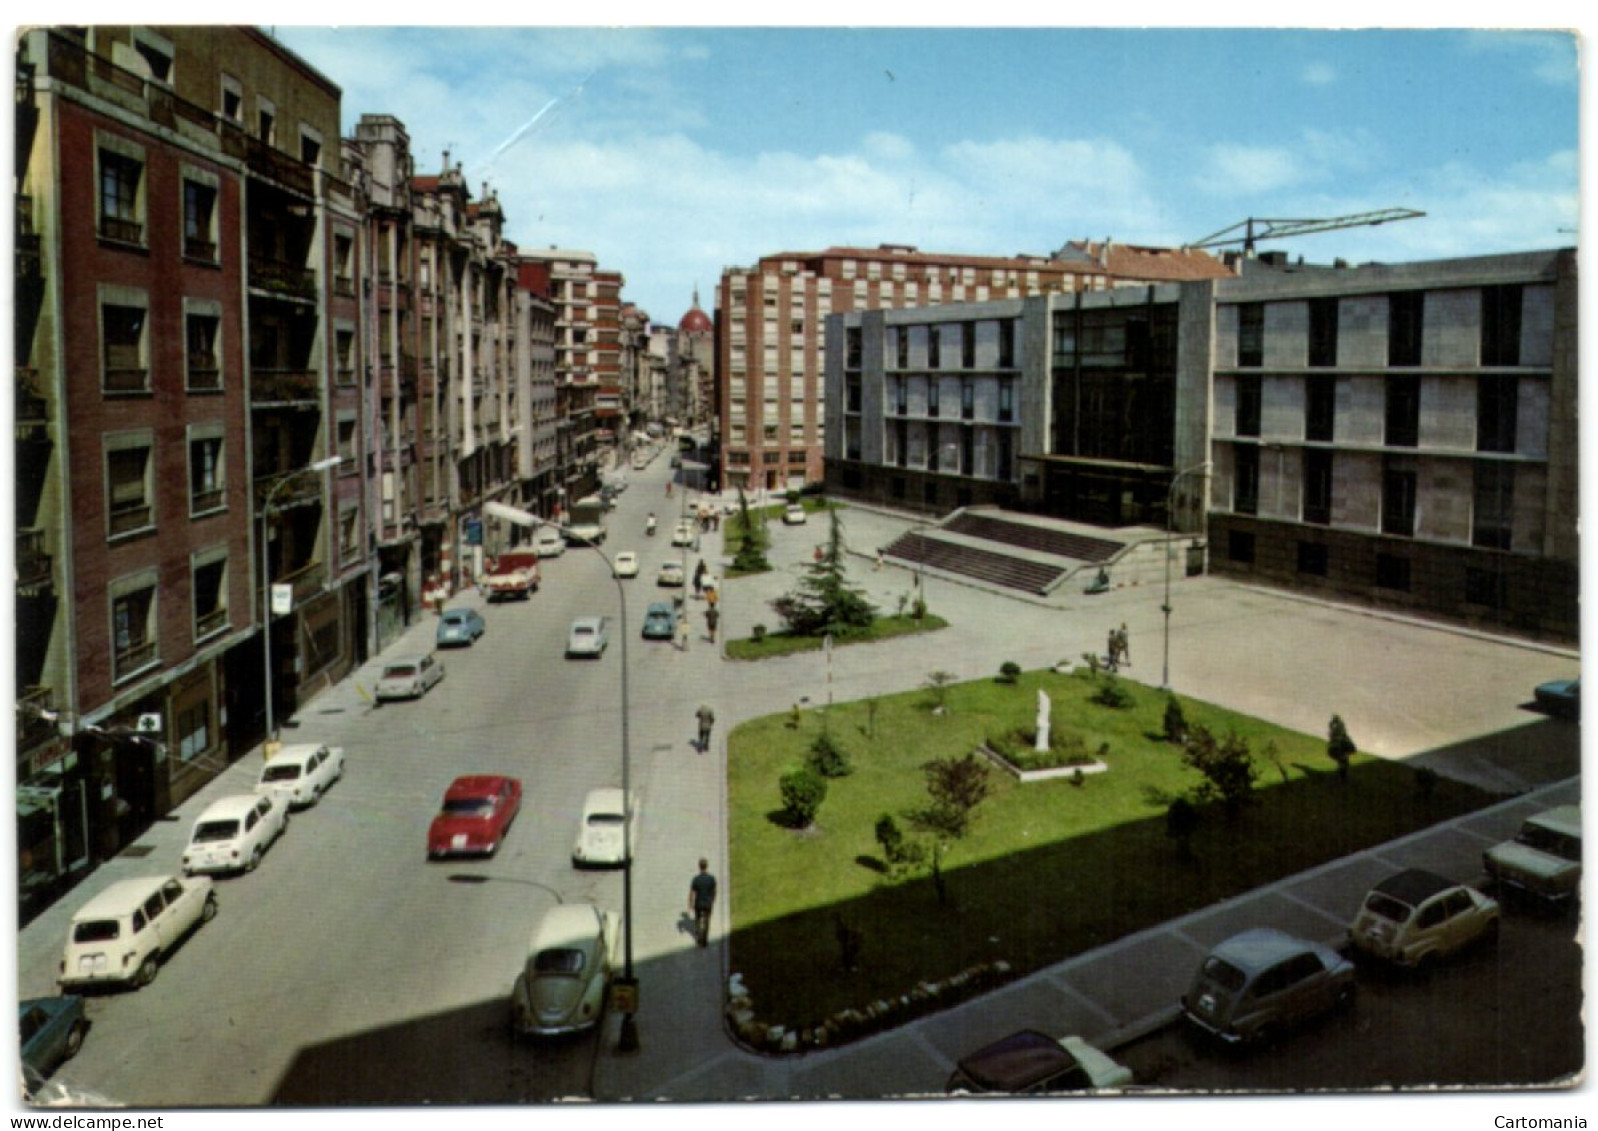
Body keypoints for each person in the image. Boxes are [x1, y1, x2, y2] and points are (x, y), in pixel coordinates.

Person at [688, 859, 717, 948]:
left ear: (699, 866)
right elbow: (714, 891)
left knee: (698, 920)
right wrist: (712, 900)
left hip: (698, 903)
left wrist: (690, 903)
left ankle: (699, 938)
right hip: (708, 903)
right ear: (706, 866)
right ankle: (704, 940)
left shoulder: (696, 879)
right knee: (707, 921)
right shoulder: (711, 878)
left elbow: (692, 893)